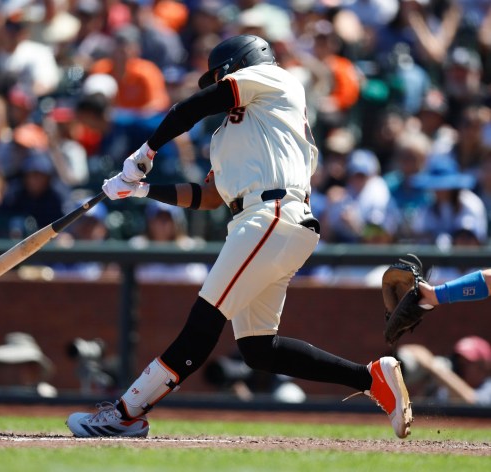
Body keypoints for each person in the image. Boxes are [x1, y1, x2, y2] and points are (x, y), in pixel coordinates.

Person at [66, 35, 413, 439]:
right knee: (258, 348)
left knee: (201, 328)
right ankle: (372, 379)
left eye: (220, 73)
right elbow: (209, 197)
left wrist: (147, 150)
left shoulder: (275, 78)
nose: (217, 81)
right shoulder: (234, 133)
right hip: (267, 222)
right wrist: (143, 189)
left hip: (271, 215)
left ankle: (126, 413)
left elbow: (191, 108)